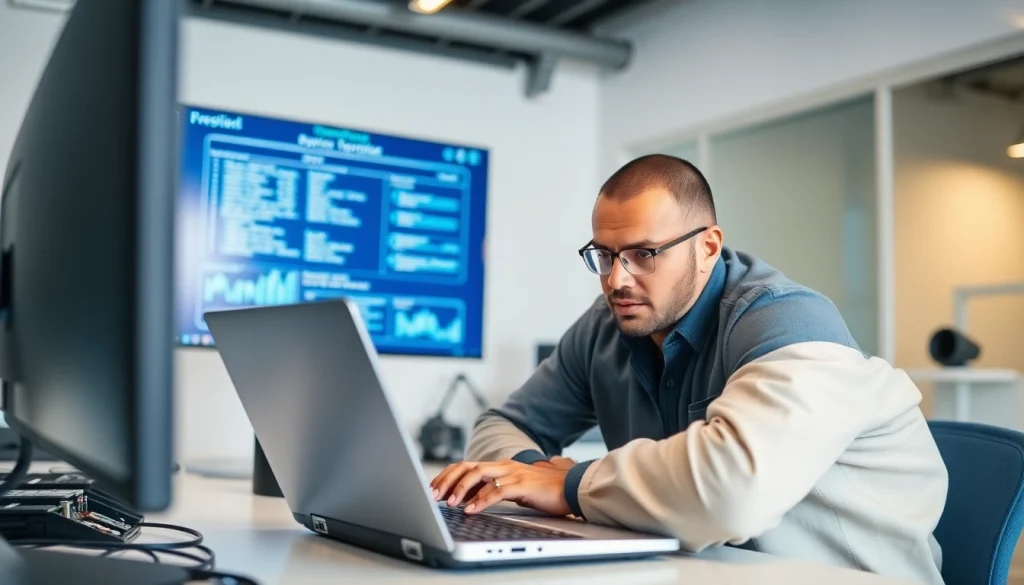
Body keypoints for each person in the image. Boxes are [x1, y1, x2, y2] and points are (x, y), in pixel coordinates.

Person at [429, 154, 948, 584]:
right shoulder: (607, 327)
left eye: (644, 253)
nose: (617, 280)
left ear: (708, 247)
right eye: (605, 256)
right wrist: (524, 474)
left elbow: (732, 492)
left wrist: (570, 487)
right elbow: (502, 423)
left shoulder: (787, 320)